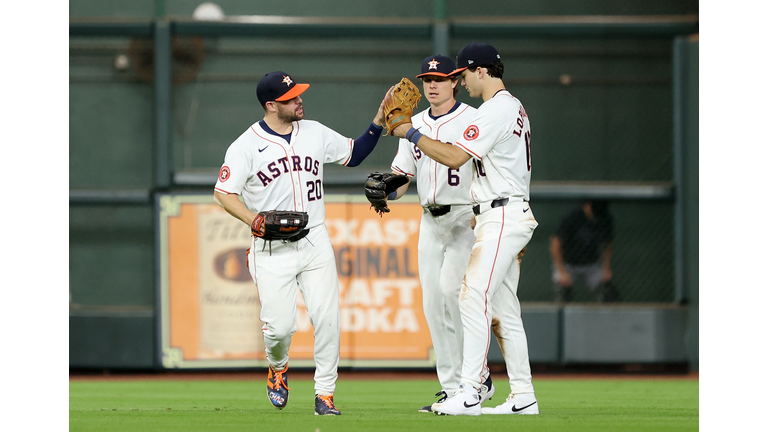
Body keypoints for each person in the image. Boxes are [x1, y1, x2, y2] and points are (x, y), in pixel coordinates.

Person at [213, 71, 389, 416]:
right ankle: (278, 368)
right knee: (279, 329)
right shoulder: (245, 145)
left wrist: (378, 122)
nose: (299, 100)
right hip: (271, 247)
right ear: (271, 105)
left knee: (327, 319)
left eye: (298, 94)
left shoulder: (314, 132)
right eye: (291, 97)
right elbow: (223, 193)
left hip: (314, 241)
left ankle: (325, 394)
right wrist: (254, 220)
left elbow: (354, 154)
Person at [390, 42, 539, 416]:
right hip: (498, 211)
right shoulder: (513, 107)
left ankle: (470, 389)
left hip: (501, 213)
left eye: (464, 74)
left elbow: (456, 157)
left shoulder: (493, 110)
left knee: (470, 296)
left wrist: (409, 133)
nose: (462, 80)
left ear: (482, 71)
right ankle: (523, 396)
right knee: (505, 311)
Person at [385, 55, 494, 412]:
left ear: (456, 82)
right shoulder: (411, 122)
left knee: (452, 293)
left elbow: (485, 170)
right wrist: (385, 189)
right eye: (427, 78)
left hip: (464, 217)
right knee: (432, 304)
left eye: (440, 78)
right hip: (429, 221)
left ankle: (475, 376)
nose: (431, 84)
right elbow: (404, 177)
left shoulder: (472, 119)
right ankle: (451, 388)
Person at [550, 199, 616, 303]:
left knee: (609, 292)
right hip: (567, 264)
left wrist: (606, 268)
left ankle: (608, 318)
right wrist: (561, 271)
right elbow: (555, 243)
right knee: (563, 292)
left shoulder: (604, 218)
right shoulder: (573, 217)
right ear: (588, 206)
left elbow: (607, 245)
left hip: (591, 264)